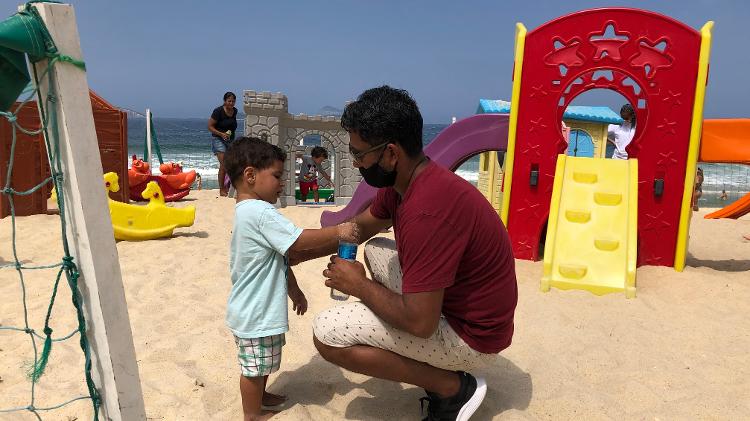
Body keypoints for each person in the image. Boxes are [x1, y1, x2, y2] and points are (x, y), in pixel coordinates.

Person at [288, 86, 518, 420]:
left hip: (473, 339)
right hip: (465, 306)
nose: (355, 161)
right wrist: (301, 253)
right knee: (378, 250)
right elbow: (359, 228)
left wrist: (359, 287)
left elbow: (421, 324)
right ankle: (438, 365)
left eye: (359, 154)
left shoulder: (427, 212)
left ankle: (453, 388)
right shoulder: (409, 182)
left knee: (327, 333)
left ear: (391, 154)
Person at [223, 137, 354, 420]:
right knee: (253, 369)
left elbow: (281, 259)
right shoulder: (259, 212)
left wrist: (294, 291)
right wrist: (338, 232)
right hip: (255, 312)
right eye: (277, 175)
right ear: (250, 175)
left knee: (262, 363)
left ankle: (261, 396)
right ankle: (251, 414)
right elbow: (298, 241)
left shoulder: (248, 212)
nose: (282, 182)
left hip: (256, 309)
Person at [208, 92, 239, 197]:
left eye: (233, 101)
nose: (231, 103)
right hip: (218, 139)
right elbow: (210, 126)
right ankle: (222, 189)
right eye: (229, 101)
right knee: (224, 164)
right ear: (224, 101)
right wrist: (221, 134)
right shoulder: (218, 111)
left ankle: (228, 186)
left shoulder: (235, 111)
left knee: (230, 164)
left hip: (230, 140)